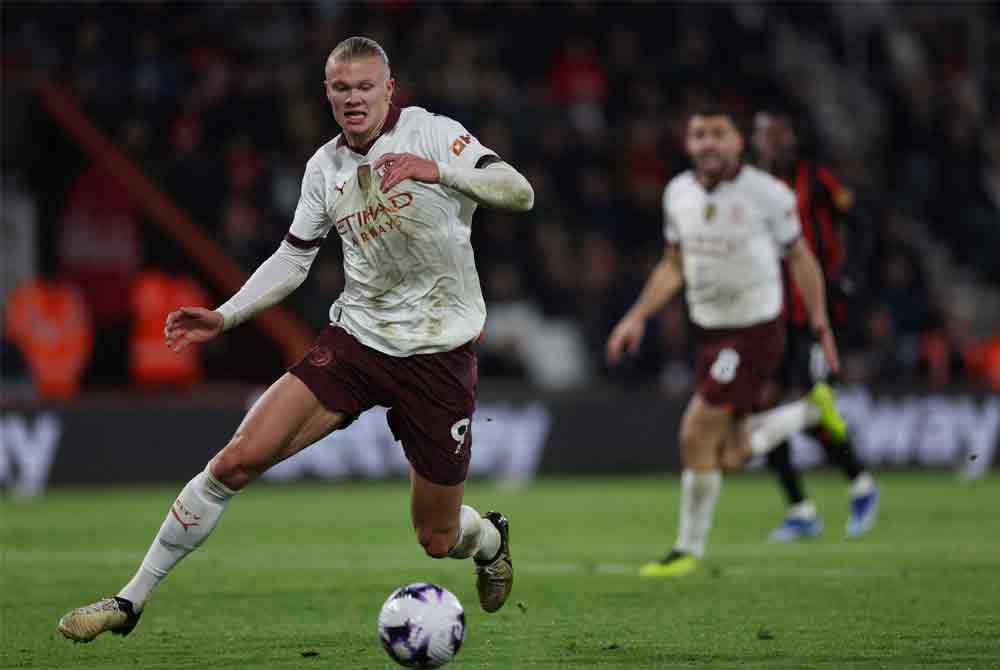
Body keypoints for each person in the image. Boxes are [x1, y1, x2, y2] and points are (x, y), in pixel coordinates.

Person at [58, 36, 534, 642]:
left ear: (390, 90)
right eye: (342, 88)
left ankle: (490, 539)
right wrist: (226, 316)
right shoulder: (324, 168)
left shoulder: (434, 133)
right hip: (356, 341)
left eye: (366, 87)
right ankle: (129, 601)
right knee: (234, 462)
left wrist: (439, 172)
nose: (354, 98)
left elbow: (521, 193)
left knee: (438, 539)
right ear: (328, 95)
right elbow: (292, 258)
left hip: (439, 354)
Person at [606, 108, 844, 577]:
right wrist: (636, 317)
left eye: (719, 134)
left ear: (739, 142)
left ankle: (686, 550)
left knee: (695, 432)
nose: (708, 143)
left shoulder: (768, 194)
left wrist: (820, 324)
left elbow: (801, 259)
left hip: (755, 331)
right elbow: (673, 264)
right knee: (730, 453)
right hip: (709, 333)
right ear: (688, 143)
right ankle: (811, 411)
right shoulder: (678, 193)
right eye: (699, 135)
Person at [751, 110, 879, 541]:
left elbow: (859, 222)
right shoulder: (754, 188)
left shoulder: (815, 178)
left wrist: (849, 273)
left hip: (814, 316)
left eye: (779, 134)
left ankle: (860, 485)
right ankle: (802, 510)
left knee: (808, 403)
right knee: (766, 411)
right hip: (771, 315)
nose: (773, 143)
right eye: (765, 136)